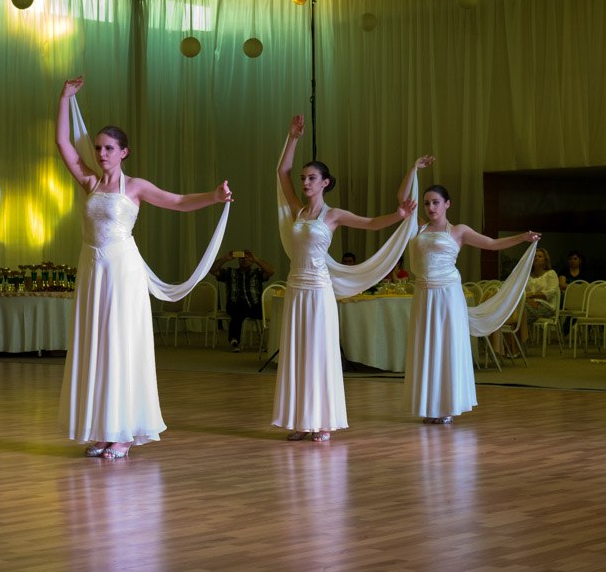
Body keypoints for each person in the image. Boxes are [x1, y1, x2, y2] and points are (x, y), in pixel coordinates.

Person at [56, 75, 231, 459]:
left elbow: (178, 201)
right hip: (93, 269)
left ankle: (123, 433)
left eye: (108, 148)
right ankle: (104, 429)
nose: (101, 153)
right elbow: (63, 145)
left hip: (122, 272)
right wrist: (65, 98)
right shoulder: (89, 182)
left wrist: (214, 197)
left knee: (120, 345)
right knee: (97, 347)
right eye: (98, 148)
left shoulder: (135, 186)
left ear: (124, 152)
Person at [273, 114, 417, 442]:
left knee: (319, 352)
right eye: (304, 178)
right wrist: (292, 137)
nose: (305, 182)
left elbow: (371, 224)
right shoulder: (297, 210)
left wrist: (398, 215)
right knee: (298, 353)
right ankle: (302, 420)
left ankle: (323, 421)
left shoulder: (333, 215)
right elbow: (282, 172)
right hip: (296, 287)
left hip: (318, 289)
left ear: (325, 183)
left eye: (312, 178)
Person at [403, 175, 540, 424]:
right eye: (426, 203)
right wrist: (413, 170)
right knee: (427, 346)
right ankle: (429, 406)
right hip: (423, 293)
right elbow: (402, 200)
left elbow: (492, 244)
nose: (430, 207)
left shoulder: (459, 231)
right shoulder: (420, 227)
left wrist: (522, 238)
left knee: (446, 345)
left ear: (447, 204)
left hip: (448, 294)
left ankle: (447, 406)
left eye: (435, 202)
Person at [209, 250, 275, 351]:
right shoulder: (230, 272)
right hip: (235, 304)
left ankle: (269, 343)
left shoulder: (257, 273)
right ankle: (234, 341)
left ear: (252, 261)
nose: (244, 260)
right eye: (241, 258)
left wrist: (257, 260)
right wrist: (225, 258)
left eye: (247, 258)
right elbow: (212, 270)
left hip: (254, 304)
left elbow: (271, 271)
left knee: (271, 314)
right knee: (238, 312)